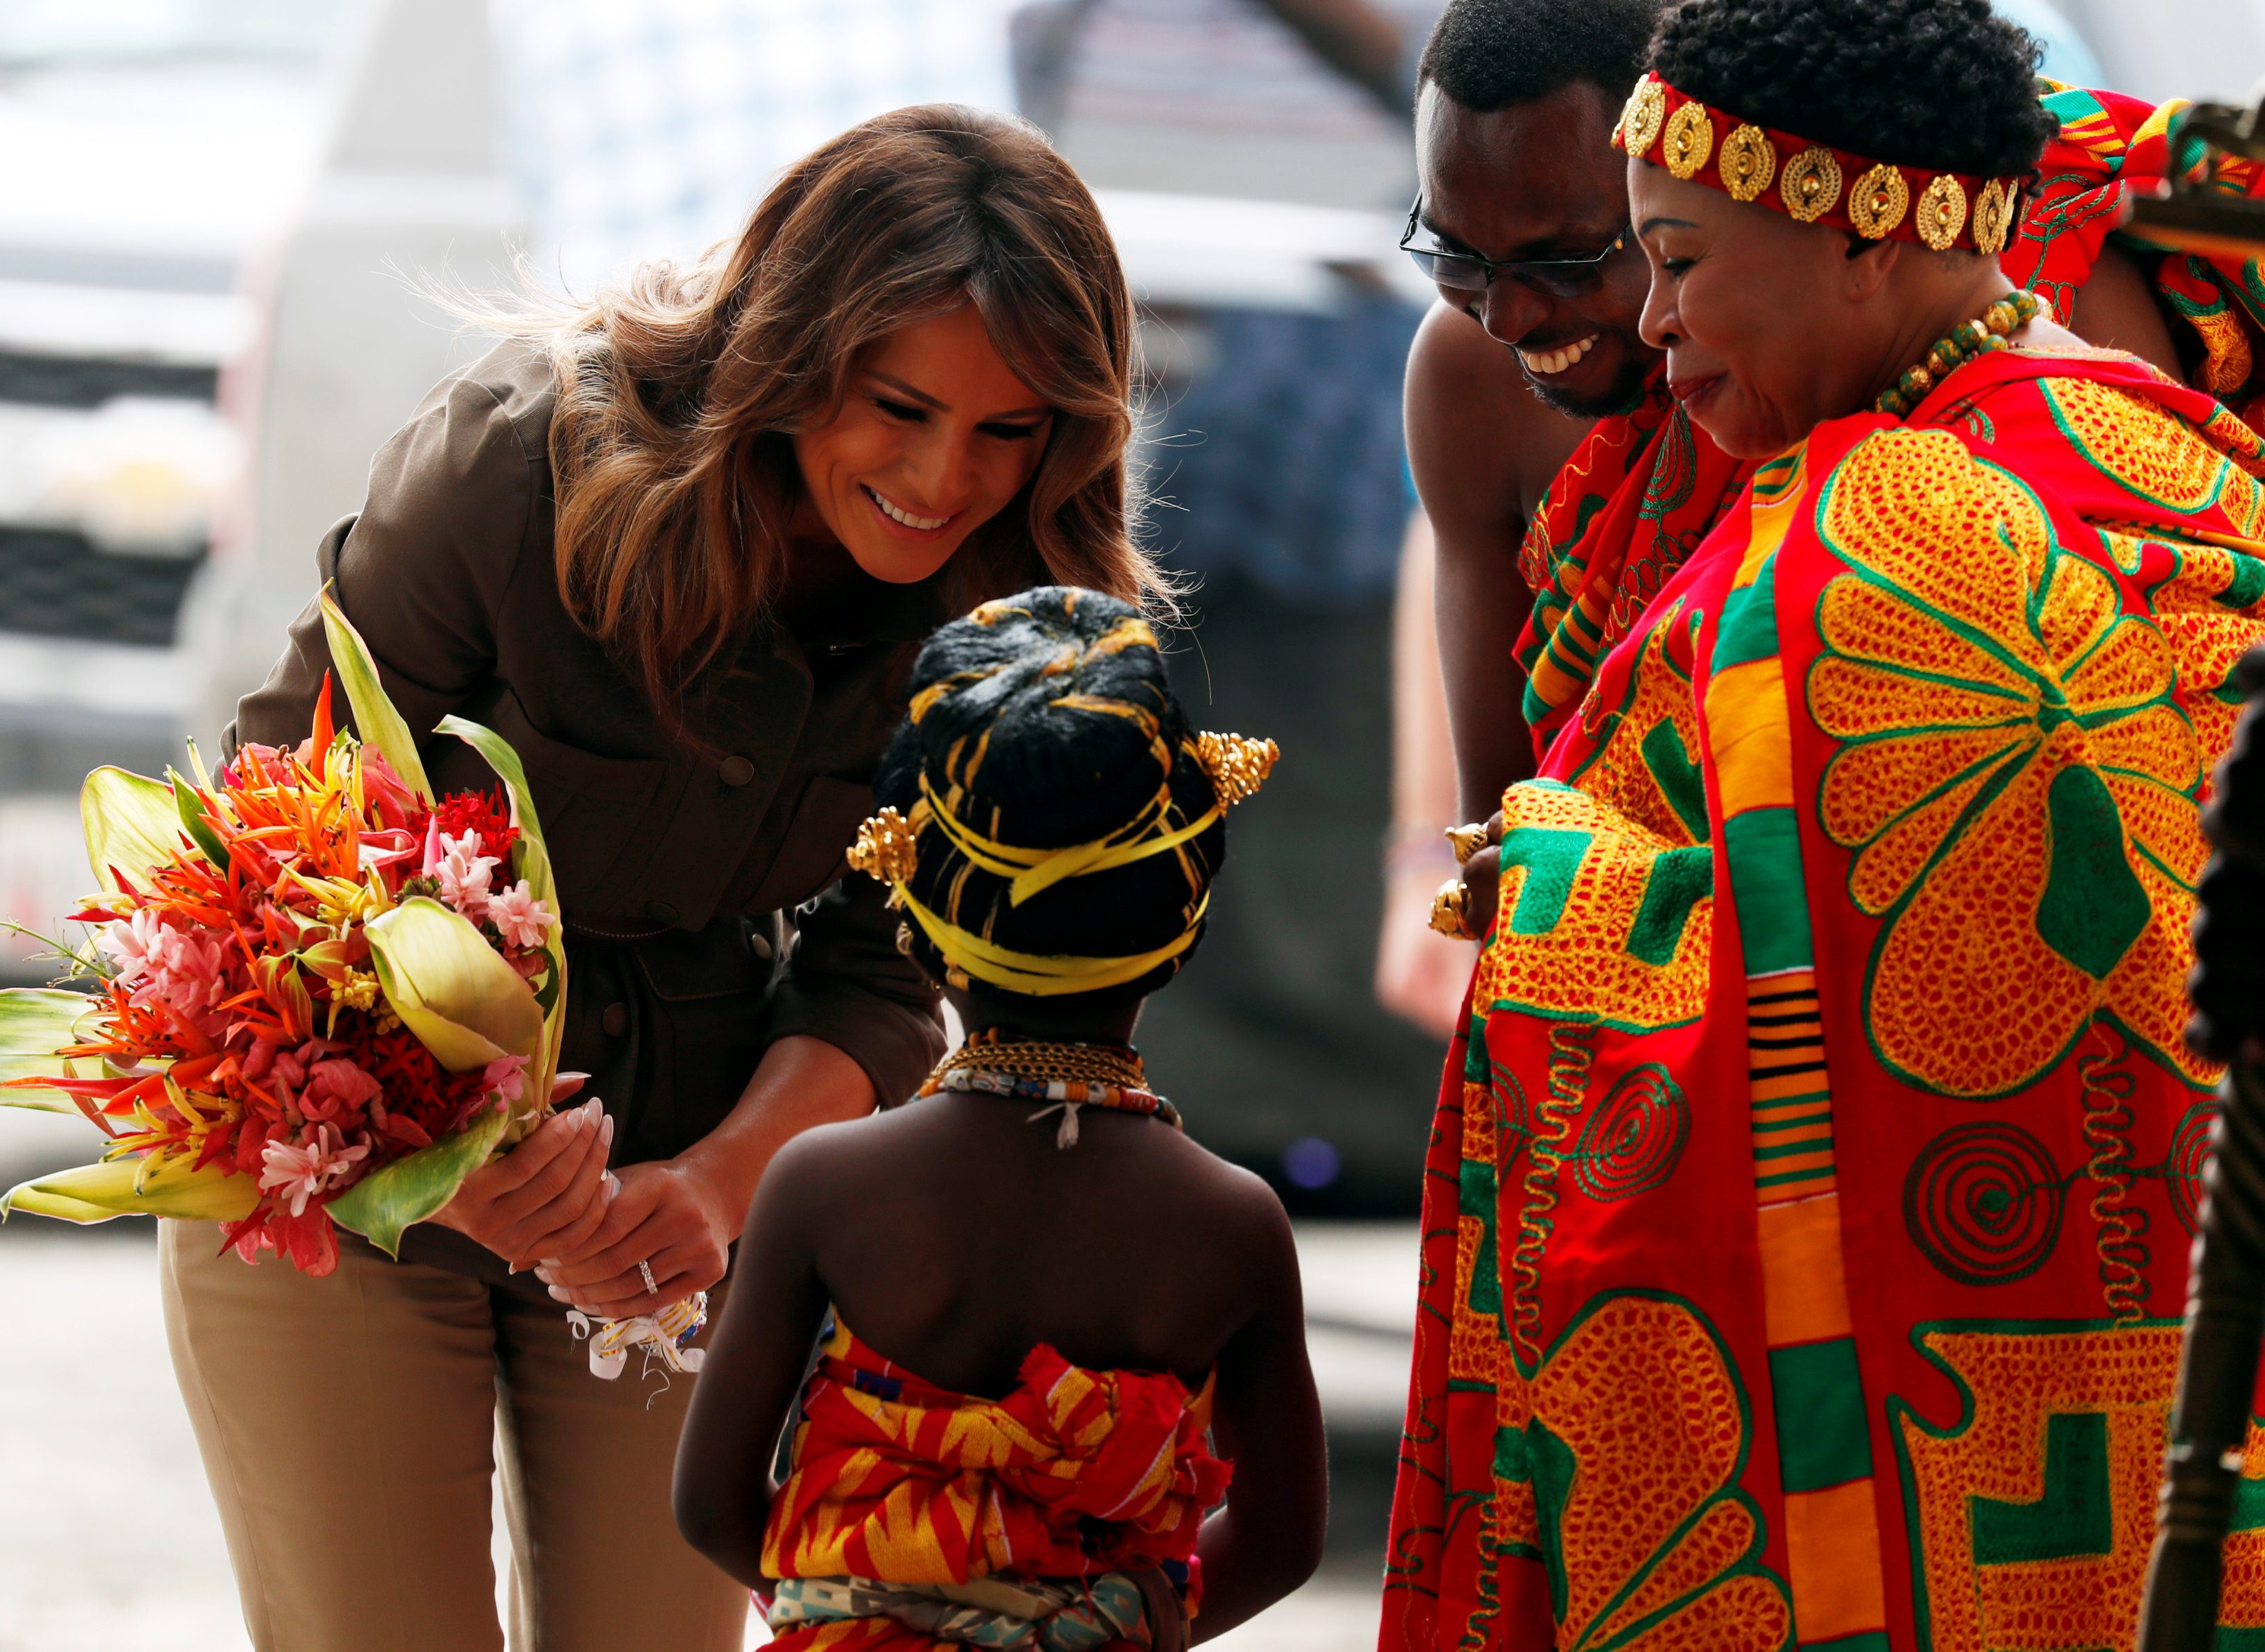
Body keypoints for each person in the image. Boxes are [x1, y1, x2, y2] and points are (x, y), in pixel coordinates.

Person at [162, 107, 1169, 1652]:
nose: (940, 476)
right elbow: (275, 829)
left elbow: (888, 966)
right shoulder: (515, 462)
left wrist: (716, 1186)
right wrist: (452, 1161)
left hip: (675, 1197)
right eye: (897, 408)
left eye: (1007, 431)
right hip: (349, 1159)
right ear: (793, 353)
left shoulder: (1019, 614)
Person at [1380, 1, 2265, 1645]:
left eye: (1670, 259)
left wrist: (1573, 888)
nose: (1651, 319)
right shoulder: (2156, 446)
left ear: (1865, 237)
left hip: (1963, 1342)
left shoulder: (1891, 526)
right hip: (2158, 1313)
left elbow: (1933, 995)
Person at [1375, 0, 2265, 1024]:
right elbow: (1513, 862)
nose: (1506, 316)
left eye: (1591, 259)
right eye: (1453, 258)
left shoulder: (1932, 498)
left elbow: (1974, 926)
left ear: (1850, 237)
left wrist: (1575, 898)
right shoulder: (1486, 380)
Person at [673, 586, 1327, 1649]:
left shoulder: (823, 1186)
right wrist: (1096, 1625)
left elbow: (710, 1506)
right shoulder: (1233, 1223)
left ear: (914, 918)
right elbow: (1283, 1540)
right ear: (1182, 921)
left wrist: (874, 1607)